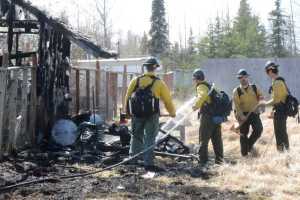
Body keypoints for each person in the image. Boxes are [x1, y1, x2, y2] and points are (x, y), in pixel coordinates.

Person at [124, 57, 176, 171]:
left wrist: (127, 113)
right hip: (152, 115)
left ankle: (133, 159)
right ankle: (148, 163)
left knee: (136, 136)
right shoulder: (159, 83)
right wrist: (172, 113)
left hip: (136, 114)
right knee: (150, 138)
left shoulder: (135, 81)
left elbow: (127, 98)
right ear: (155, 68)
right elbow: (167, 101)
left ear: (145, 67)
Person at [192, 69, 224, 166]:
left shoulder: (201, 86)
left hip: (207, 118)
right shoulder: (210, 86)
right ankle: (219, 161)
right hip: (216, 117)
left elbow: (202, 96)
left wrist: (195, 106)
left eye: (193, 79)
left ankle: (203, 161)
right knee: (217, 139)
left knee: (203, 139)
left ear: (196, 79)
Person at [233, 69, 264, 156]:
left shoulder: (254, 87)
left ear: (247, 77)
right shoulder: (237, 91)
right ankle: (244, 155)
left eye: (244, 77)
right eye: (240, 78)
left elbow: (261, 96)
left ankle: (249, 145)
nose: (243, 79)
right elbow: (237, 105)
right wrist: (241, 115)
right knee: (243, 135)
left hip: (254, 113)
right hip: (242, 115)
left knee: (259, 129)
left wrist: (261, 102)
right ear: (239, 79)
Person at [260, 61, 289, 152]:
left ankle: (282, 152)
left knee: (280, 133)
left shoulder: (277, 83)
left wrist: (264, 103)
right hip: (281, 109)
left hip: (280, 111)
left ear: (270, 71)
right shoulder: (279, 80)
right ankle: (286, 151)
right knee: (282, 132)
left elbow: (276, 100)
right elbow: (279, 98)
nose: (267, 74)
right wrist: (273, 109)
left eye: (266, 72)